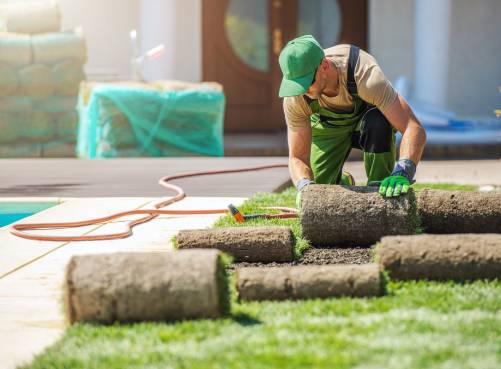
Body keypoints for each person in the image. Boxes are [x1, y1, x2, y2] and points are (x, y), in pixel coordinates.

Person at [279, 35, 426, 207]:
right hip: (328, 127)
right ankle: (342, 180)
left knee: (378, 120)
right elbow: (297, 157)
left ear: (324, 65)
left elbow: (412, 127)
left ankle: (380, 191)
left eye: (307, 82)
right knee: (319, 195)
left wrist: (404, 170)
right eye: (296, 85)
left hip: (366, 124)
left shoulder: (364, 74)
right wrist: (304, 186)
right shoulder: (295, 98)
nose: (303, 91)